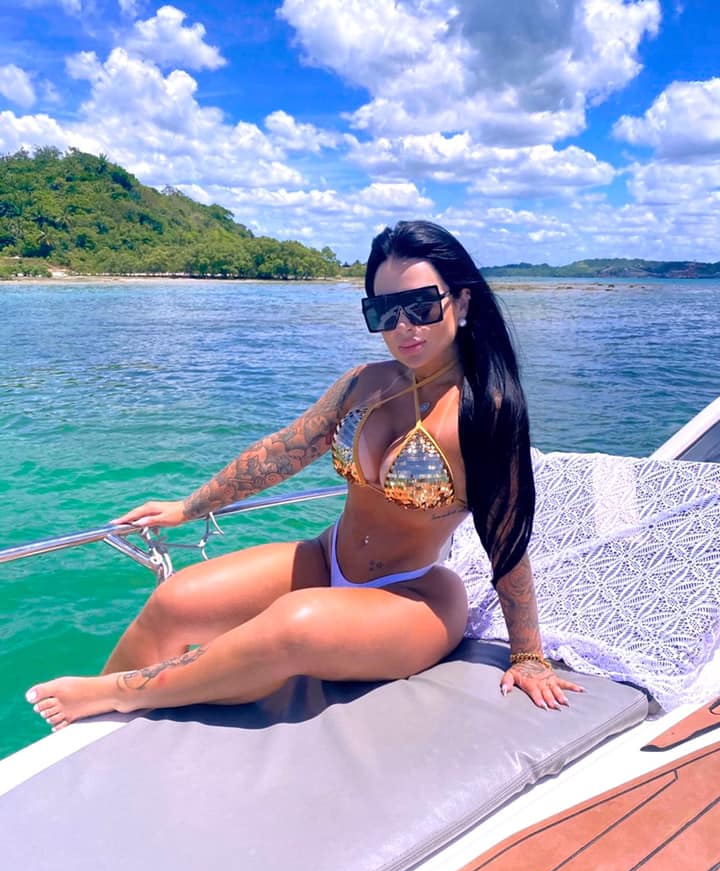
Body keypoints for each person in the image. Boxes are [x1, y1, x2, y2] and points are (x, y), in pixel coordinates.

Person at [26, 220, 583, 731]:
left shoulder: (485, 411)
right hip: (326, 558)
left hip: (413, 597)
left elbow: (507, 536)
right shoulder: (366, 383)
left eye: (419, 305)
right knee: (177, 599)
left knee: (294, 623)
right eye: (384, 311)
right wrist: (188, 508)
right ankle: (85, 744)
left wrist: (527, 655)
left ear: (460, 300)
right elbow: (283, 452)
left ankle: (115, 694)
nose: (403, 327)